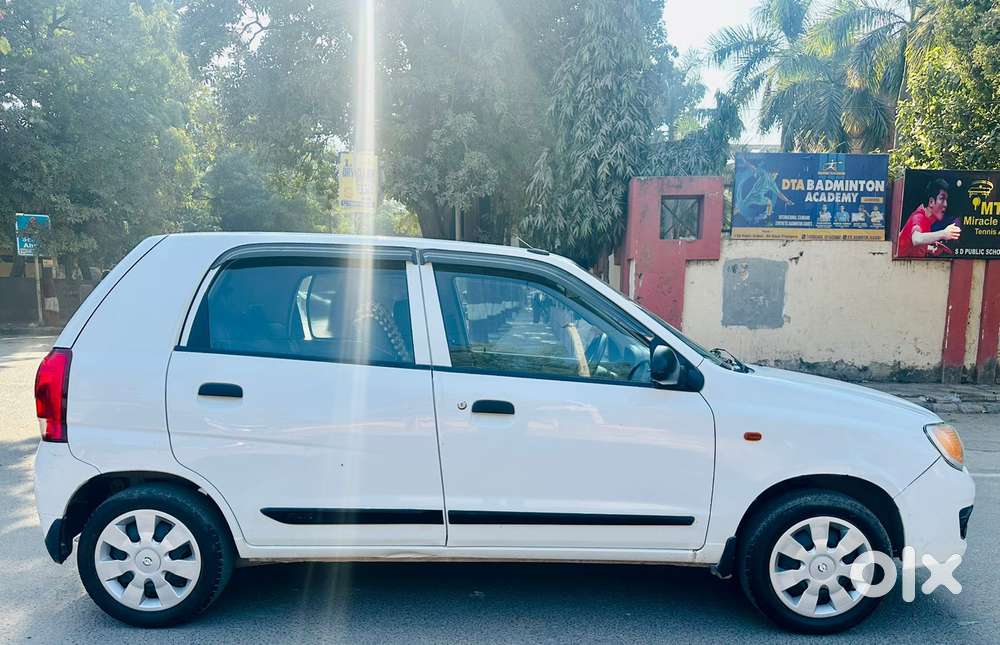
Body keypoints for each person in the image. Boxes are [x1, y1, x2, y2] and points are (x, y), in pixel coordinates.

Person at [898, 179, 961, 258]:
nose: (945, 204)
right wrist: (944, 234)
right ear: (931, 202)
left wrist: (931, 246)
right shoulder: (918, 217)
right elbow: (916, 239)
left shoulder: (928, 220)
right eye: (942, 199)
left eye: (946, 200)